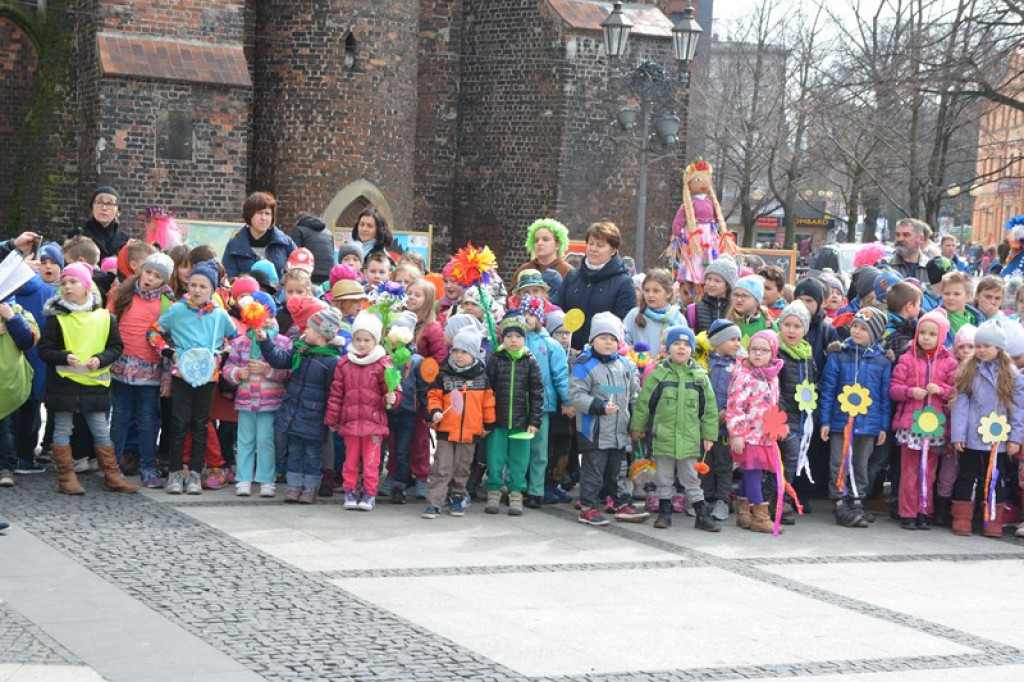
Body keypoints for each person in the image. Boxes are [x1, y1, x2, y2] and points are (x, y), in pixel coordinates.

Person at [37, 263, 137, 494]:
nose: (68, 287)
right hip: (64, 384)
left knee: (101, 430)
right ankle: (66, 477)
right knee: (62, 429)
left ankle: (112, 475)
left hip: (95, 385)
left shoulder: (104, 317)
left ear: (87, 286)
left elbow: (116, 347)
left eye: (73, 282)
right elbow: (44, 350)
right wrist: (63, 356)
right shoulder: (56, 318)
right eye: (64, 283)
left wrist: (101, 360)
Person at [148, 261, 238, 495]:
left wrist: (221, 354)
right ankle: (177, 473)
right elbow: (153, 331)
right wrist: (168, 352)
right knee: (179, 423)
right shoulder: (177, 310)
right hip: (182, 374)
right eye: (193, 285)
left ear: (213, 290)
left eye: (203, 286)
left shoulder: (219, 315)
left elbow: (235, 338)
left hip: (208, 376)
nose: (197, 290)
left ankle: (196, 474)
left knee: (201, 424)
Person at [631, 324, 718, 531]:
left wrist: (708, 434)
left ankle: (701, 514)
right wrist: (638, 427)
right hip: (663, 436)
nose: (681, 348)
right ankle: (664, 512)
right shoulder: (658, 375)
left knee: (691, 477)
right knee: (663, 476)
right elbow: (644, 403)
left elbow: (709, 409)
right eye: (676, 344)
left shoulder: (700, 377)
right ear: (667, 348)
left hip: (689, 438)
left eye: (686, 345)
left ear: (692, 349)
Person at [259, 307, 343, 504]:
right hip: (294, 412)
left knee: (313, 454)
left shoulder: (332, 361)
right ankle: (294, 485)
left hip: (314, 415)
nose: (305, 331)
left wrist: (332, 417)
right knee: (294, 451)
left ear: (323, 334)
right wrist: (264, 340)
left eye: (310, 329)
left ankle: (310, 487)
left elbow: (335, 392)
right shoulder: (301, 351)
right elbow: (278, 359)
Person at [569, 312, 645, 526]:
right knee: (593, 471)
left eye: (613, 339)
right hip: (593, 430)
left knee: (618, 470)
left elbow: (634, 395)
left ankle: (622, 503)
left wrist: (637, 422)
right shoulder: (584, 364)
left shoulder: (626, 366)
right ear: (593, 340)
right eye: (603, 338)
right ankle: (588, 507)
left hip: (619, 431)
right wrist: (599, 407)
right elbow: (576, 395)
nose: (608, 343)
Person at [950, 319, 1024, 537]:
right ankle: (962, 518)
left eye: (986, 346)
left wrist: (1014, 438)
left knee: (994, 478)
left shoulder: (1011, 373)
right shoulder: (969, 369)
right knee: (967, 474)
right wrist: (958, 435)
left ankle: (992, 519)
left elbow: (1018, 409)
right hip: (972, 435)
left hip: (998, 438)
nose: (981, 350)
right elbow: (960, 404)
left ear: (999, 348)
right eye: (978, 345)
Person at [108, 253, 175, 488]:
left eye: (157, 276)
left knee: (148, 420)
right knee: (120, 417)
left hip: (150, 371)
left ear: (164, 281)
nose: (150, 278)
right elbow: (109, 326)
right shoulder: (121, 294)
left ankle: (148, 466)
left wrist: (167, 380)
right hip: (121, 366)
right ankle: (112, 466)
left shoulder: (167, 304)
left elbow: (168, 342)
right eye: (148, 272)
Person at [819, 308, 891, 528]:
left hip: (868, 424)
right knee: (839, 461)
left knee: (861, 462)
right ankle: (839, 500)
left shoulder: (882, 361)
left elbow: (884, 396)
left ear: (876, 333)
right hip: (841, 421)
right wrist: (825, 421)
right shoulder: (839, 354)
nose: (857, 331)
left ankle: (858, 499)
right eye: (855, 326)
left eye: (864, 328)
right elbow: (828, 389)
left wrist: (882, 426)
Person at [889, 308, 957, 531]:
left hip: (935, 426)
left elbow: (956, 391)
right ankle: (907, 511)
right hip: (911, 425)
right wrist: (909, 392)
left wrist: (941, 389)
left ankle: (924, 511)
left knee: (929, 471)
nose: (926, 338)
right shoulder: (907, 358)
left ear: (943, 337)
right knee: (909, 470)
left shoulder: (949, 362)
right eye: (923, 333)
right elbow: (894, 389)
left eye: (932, 334)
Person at [325, 312, 400, 512]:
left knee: (371, 462)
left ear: (375, 341)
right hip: (350, 422)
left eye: (367, 340)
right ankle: (350, 490)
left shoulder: (382, 363)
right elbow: (336, 394)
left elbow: (393, 391)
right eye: (358, 339)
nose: (361, 344)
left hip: (373, 424)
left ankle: (369, 492)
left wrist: (391, 399)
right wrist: (333, 418)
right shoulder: (344, 363)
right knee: (350, 461)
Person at [423, 327, 496, 519]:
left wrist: (488, 424)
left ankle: (457, 498)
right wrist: (435, 412)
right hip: (447, 429)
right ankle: (434, 502)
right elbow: (433, 397)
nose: (459, 355)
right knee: (442, 467)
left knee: (462, 468)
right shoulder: (444, 375)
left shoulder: (481, 377)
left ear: (473, 354)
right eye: (455, 351)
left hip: (471, 431)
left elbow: (488, 403)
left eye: (464, 351)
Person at [223, 294, 291, 498]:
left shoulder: (282, 342)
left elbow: (287, 373)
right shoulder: (240, 342)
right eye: (262, 316)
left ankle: (266, 479)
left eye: (270, 315)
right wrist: (237, 374)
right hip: (245, 401)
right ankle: (243, 478)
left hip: (270, 401)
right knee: (244, 440)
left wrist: (267, 370)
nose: (267, 320)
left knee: (265, 440)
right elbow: (227, 367)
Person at [484, 313, 544, 516]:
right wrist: (487, 419)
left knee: (519, 459)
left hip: (521, 422)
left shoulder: (530, 361)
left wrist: (534, 421)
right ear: (503, 338)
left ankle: (516, 492)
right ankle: (494, 490)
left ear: (524, 338)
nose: (513, 340)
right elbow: (487, 390)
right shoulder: (495, 359)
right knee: (495, 457)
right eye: (509, 336)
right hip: (497, 421)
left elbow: (537, 393)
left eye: (518, 336)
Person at [726, 329, 784, 533]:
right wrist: (736, 433)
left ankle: (744, 512)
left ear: (773, 353)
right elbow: (735, 406)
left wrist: (776, 427)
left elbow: (773, 404)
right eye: (754, 349)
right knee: (753, 471)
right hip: (748, 435)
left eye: (764, 350)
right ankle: (760, 515)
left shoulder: (772, 377)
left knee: (754, 472)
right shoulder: (744, 376)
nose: (758, 354)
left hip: (764, 434)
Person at [550, 222, 636, 351]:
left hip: (600, 357)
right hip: (566, 351)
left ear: (613, 250)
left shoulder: (624, 283)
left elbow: (622, 325)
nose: (593, 249)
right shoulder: (573, 276)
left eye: (600, 245)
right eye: (590, 243)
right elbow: (556, 310)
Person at [520, 297, 571, 509]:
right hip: (518, 402)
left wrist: (567, 400)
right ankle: (518, 487)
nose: (528, 319)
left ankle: (536, 490)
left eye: (532, 315)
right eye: (524, 314)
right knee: (519, 448)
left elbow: (560, 374)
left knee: (539, 449)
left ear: (540, 317)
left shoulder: (550, 345)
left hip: (543, 404)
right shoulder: (515, 341)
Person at [703, 319, 741, 522]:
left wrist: (728, 411)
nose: (737, 344)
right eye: (732, 339)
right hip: (706, 425)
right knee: (705, 461)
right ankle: (705, 498)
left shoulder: (739, 366)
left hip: (727, 426)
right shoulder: (704, 363)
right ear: (718, 341)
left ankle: (723, 500)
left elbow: (742, 394)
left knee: (724, 464)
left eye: (739, 339)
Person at [0, 296, 39, 488]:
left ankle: (5, 467)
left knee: (7, 426)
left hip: (9, 381)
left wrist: (12, 318)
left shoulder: (20, 311)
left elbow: (28, 340)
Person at [223, 191, 297, 279]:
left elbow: (299, 274)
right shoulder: (234, 246)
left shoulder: (285, 243)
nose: (263, 218)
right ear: (249, 215)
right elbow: (229, 277)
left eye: (267, 213)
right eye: (259, 213)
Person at [622, 268, 686, 351]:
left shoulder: (678, 319)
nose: (650, 295)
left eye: (656, 291)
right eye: (647, 290)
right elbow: (624, 344)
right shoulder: (634, 315)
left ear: (668, 293)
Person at [512, 218, 573, 295]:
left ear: (558, 244)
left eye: (545, 239)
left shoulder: (568, 271)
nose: (539, 243)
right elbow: (511, 298)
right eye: (536, 240)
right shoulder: (524, 269)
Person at [67, 186, 129, 261]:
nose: (104, 208)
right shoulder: (78, 235)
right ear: (92, 208)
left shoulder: (124, 240)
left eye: (109, 204)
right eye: (99, 202)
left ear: (117, 211)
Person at [687, 256, 737, 334]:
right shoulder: (695, 309)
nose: (711, 284)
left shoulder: (735, 309)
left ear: (728, 285)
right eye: (709, 279)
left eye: (717, 281)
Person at [291, 213, 334, 285]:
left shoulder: (299, 230)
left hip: (309, 274)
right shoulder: (328, 232)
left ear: (298, 221)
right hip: (328, 274)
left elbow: (294, 253)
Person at [730, 275, 774, 345]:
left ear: (757, 300)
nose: (739, 299)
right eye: (736, 295)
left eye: (744, 296)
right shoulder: (728, 322)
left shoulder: (768, 325)